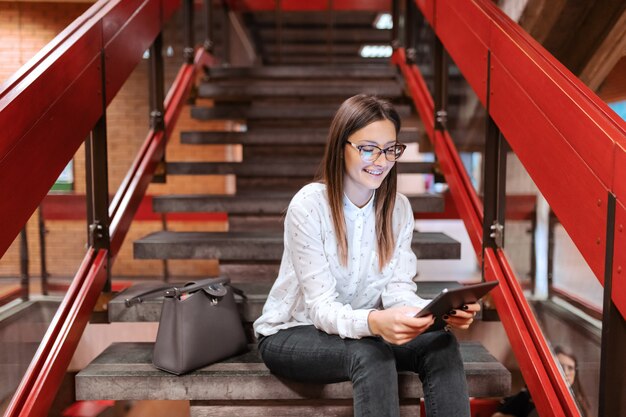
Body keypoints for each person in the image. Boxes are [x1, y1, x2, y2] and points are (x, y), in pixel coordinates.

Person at [253, 94, 480, 417]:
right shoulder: (309, 206)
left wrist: (439, 313)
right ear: (341, 147)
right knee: (372, 354)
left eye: (390, 149)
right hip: (292, 332)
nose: (381, 161)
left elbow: (397, 290)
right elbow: (321, 309)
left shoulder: (398, 208)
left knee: (440, 344)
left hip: (364, 331)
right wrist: (373, 322)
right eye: (368, 148)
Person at [491, 345, 591, 417]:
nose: (565, 372)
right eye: (560, 366)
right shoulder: (531, 394)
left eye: (570, 368)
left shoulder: (579, 405)